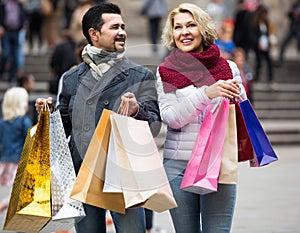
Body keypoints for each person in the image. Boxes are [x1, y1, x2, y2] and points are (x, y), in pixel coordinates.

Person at [35, 2, 161, 233]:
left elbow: (154, 124)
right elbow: (62, 130)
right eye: (114, 27)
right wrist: (46, 116)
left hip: (125, 178)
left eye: (122, 26)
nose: (122, 32)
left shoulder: (140, 75)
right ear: (94, 34)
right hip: (82, 174)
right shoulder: (72, 78)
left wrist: (136, 111)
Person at [156, 3, 247, 233]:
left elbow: (240, 112)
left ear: (203, 28)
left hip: (217, 165)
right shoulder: (165, 71)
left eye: (191, 25)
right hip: (178, 167)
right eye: (177, 27)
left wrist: (239, 94)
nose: (184, 32)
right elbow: (171, 118)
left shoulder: (228, 68)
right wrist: (206, 93)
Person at [0, 87, 33, 212]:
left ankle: (7, 205)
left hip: (6, 161)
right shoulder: (24, 122)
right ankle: (5, 204)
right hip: (20, 162)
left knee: (18, 192)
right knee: (22, 192)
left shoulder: (3, 123)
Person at [0, 0, 27, 83]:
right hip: (6, 31)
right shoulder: (3, 4)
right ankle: (1, 72)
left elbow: (23, 16)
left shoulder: (19, 5)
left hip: (16, 31)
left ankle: (12, 77)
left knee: (15, 55)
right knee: (6, 53)